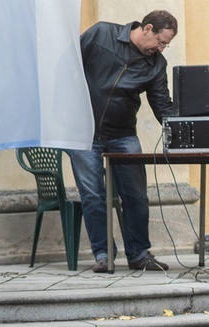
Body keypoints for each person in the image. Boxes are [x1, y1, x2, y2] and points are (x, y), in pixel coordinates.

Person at [70, 10, 178, 273]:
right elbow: (68, 68)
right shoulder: (101, 34)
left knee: (136, 194)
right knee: (93, 194)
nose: (162, 48)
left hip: (123, 134)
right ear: (147, 28)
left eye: (166, 45)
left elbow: (163, 106)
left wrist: (187, 126)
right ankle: (104, 254)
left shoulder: (156, 65)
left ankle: (139, 254)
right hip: (83, 131)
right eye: (161, 41)